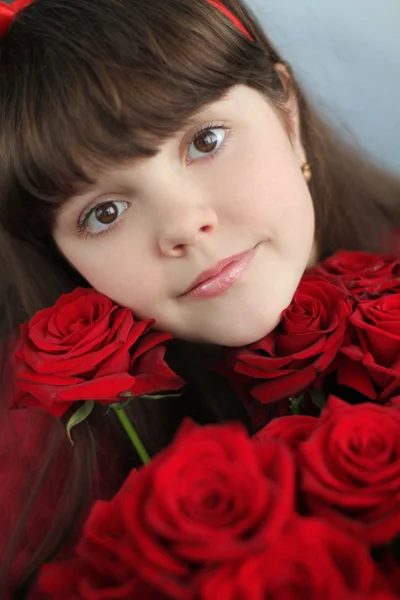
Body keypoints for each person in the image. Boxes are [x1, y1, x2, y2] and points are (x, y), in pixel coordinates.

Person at [1, 0, 400, 597]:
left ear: (287, 117)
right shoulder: (48, 478)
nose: (183, 225)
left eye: (206, 140)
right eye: (104, 212)